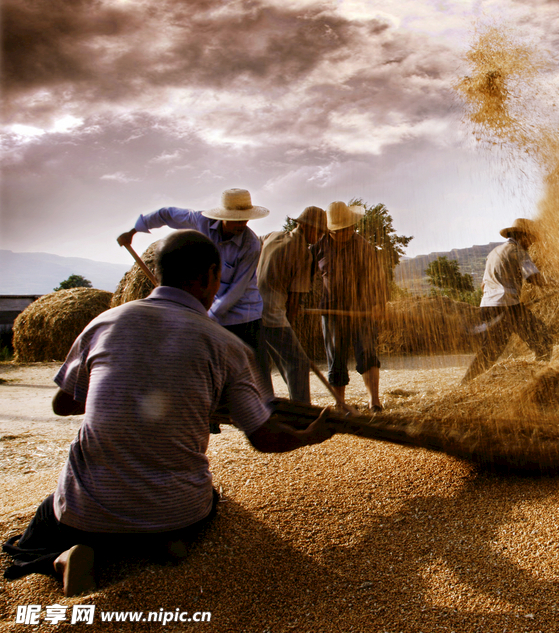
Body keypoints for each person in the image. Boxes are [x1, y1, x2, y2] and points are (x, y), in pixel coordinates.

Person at [2, 230, 335, 597]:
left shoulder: (106, 323)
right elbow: (264, 437)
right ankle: (164, 543)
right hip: (178, 512)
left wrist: (119, 391)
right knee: (211, 502)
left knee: (40, 527)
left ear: (159, 273)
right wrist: (310, 435)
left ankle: (60, 558)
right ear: (211, 275)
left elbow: (61, 404)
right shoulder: (226, 345)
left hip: (88, 512)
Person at [309, 201, 388, 414]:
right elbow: (304, 274)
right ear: (331, 231)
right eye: (341, 230)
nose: (347, 232)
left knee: (368, 352)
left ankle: (374, 401)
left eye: (350, 228)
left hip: (362, 310)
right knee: (335, 357)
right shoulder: (318, 246)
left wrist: (379, 303)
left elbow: (377, 277)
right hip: (332, 310)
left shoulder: (363, 246)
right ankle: (340, 403)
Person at [461, 218, 553, 384]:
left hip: (488, 306)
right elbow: (533, 278)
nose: (531, 243)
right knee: (543, 340)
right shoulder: (519, 251)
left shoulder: (494, 252)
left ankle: (466, 384)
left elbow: (483, 285)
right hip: (507, 306)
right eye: (530, 238)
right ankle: (541, 381)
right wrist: (555, 283)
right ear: (522, 236)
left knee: (489, 351)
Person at [256, 206, 328, 403]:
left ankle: (273, 408)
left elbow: (255, 244)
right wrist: (289, 322)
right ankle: (301, 413)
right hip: (272, 313)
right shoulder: (303, 255)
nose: (320, 236)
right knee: (298, 363)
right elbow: (294, 302)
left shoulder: (272, 236)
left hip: (251, 310)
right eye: (319, 231)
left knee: (276, 362)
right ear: (304, 225)